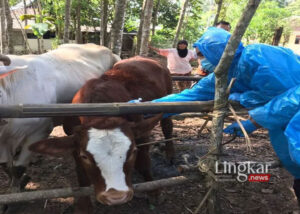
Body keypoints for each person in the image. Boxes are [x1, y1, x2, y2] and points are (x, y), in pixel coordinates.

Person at [150, 27, 300, 203]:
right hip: (282, 124)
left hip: (291, 118)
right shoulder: (225, 72)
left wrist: (253, 119)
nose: (202, 62)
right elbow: (190, 95)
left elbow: (289, 98)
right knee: (294, 163)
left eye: (203, 56)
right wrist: (147, 108)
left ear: (217, 52)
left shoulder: (260, 58)